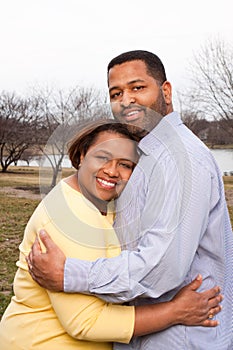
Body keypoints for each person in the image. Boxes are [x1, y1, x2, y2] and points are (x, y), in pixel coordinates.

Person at [27, 50, 233, 349]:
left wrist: (69, 274)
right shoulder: (143, 155)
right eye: (116, 93)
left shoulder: (182, 160)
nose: (126, 100)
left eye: (138, 88)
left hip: (182, 338)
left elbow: (162, 268)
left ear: (166, 91)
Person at [0, 120, 222, 350]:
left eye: (125, 164)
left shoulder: (103, 204)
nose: (112, 171)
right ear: (82, 155)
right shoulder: (72, 215)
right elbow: (86, 322)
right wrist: (175, 311)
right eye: (102, 157)